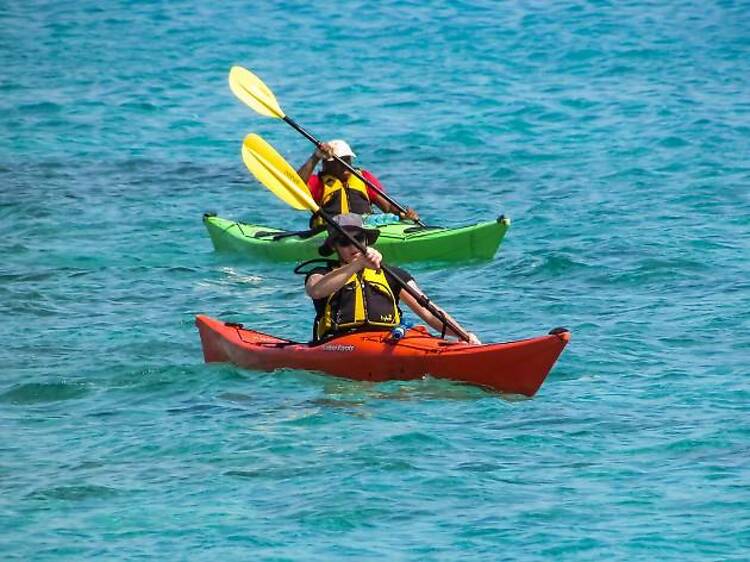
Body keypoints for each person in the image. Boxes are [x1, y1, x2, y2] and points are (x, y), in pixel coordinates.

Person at [304, 213, 480, 344]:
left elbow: (428, 311)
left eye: (357, 238)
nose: (352, 245)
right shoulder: (322, 273)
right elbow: (315, 290)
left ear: (366, 240)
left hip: (388, 341)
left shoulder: (393, 275)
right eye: (344, 242)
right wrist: (356, 265)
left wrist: (462, 335)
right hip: (340, 343)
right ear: (334, 246)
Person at [296, 140, 419, 229]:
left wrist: (403, 214)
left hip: (365, 227)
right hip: (331, 231)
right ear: (326, 165)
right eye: (339, 161)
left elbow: (387, 207)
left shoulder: (363, 177)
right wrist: (315, 158)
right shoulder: (318, 182)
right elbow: (295, 186)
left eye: (347, 160)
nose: (345, 165)